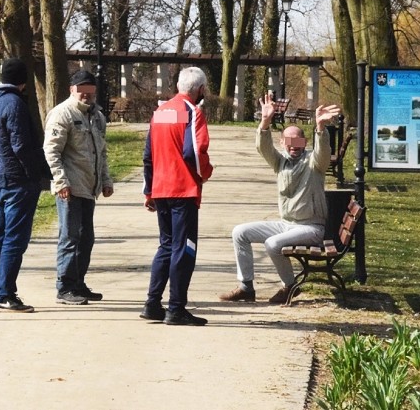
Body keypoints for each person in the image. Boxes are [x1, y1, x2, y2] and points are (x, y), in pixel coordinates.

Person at [219, 94, 341, 304]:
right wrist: (265, 121)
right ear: (283, 143)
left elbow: (323, 153)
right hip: (286, 224)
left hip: (311, 228)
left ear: (304, 142)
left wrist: (320, 128)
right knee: (240, 232)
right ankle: (246, 287)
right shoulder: (280, 162)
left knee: (272, 244)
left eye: (298, 141)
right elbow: (264, 148)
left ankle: (289, 286)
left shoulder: (314, 163)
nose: (294, 146)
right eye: (289, 141)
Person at [140, 66, 213, 326]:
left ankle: (152, 304)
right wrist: (205, 173)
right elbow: (194, 151)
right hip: (183, 189)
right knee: (185, 248)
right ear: (200, 89)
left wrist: (149, 189)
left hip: (160, 188)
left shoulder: (160, 112)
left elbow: (148, 155)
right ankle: (176, 308)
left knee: (166, 245)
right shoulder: (193, 112)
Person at [0, 58, 47, 313]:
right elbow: (21, 145)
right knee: (14, 240)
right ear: (23, 81)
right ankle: (5, 293)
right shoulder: (15, 103)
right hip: (17, 181)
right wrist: (34, 174)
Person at [43, 69, 114, 306]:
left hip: (89, 187)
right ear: (72, 90)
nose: (87, 95)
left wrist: (105, 180)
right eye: (82, 90)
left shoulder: (97, 116)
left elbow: (101, 152)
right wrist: (61, 182)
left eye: (90, 90)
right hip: (70, 188)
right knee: (70, 237)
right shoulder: (61, 114)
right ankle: (64, 287)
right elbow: (51, 151)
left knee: (86, 238)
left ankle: (78, 283)